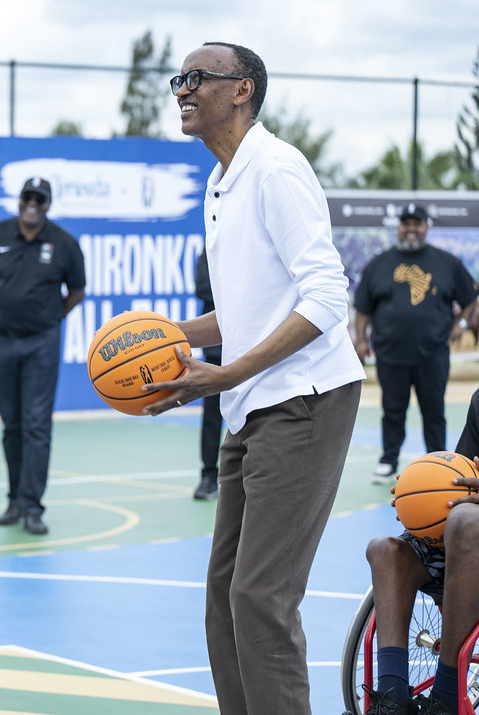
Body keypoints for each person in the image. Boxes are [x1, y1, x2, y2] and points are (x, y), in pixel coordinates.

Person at [146, 43, 366, 714]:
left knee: (261, 597)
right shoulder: (223, 181)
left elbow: (329, 296)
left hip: (305, 400)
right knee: (224, 598)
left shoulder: (274, 168)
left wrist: (231, 371)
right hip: (255, 405)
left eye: (197, 79)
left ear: (241, 90)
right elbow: (246, 309)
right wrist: (167, 336)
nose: (183, 90)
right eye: (178, 79)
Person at [0, 177, 86, 536]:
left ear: (48, 205)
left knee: (37, 425)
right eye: (28, 198)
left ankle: (34, 506)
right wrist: (2, 312)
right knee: (13, 425)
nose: (33, 204)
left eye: (40, 199)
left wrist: (51, 318)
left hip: (42, 344)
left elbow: (78, 290)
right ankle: (15, 501)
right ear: (19, 201)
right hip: (2, 342)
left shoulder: (64, 243)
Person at [360, 395, 479, 715]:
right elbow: (457, 481)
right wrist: (418, 499)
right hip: (466, 539)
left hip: (471, 532)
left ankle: (447, 698)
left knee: (466, 521)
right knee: (384, 549)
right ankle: (391, 699)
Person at [354, 203, 477, 485]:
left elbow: (471, 297)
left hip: (432, 354)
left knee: (434, 412)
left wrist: (460, 324)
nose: (411, 229)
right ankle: (387, 461)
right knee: (392, 411)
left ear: (425, 227)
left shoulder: (447, 263)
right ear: (399, 227)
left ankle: (438, 464)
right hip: (390, 353)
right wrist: (361, 339)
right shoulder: (379, 263)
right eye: (406, 223)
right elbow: (363, 307)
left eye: (417, 223)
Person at [193, 249, 223, 500]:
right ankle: (209, 475)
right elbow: (203, 287)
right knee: (212, 413)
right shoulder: (212, 245)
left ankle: (251, 472)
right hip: (218, 345)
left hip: (256, 343)